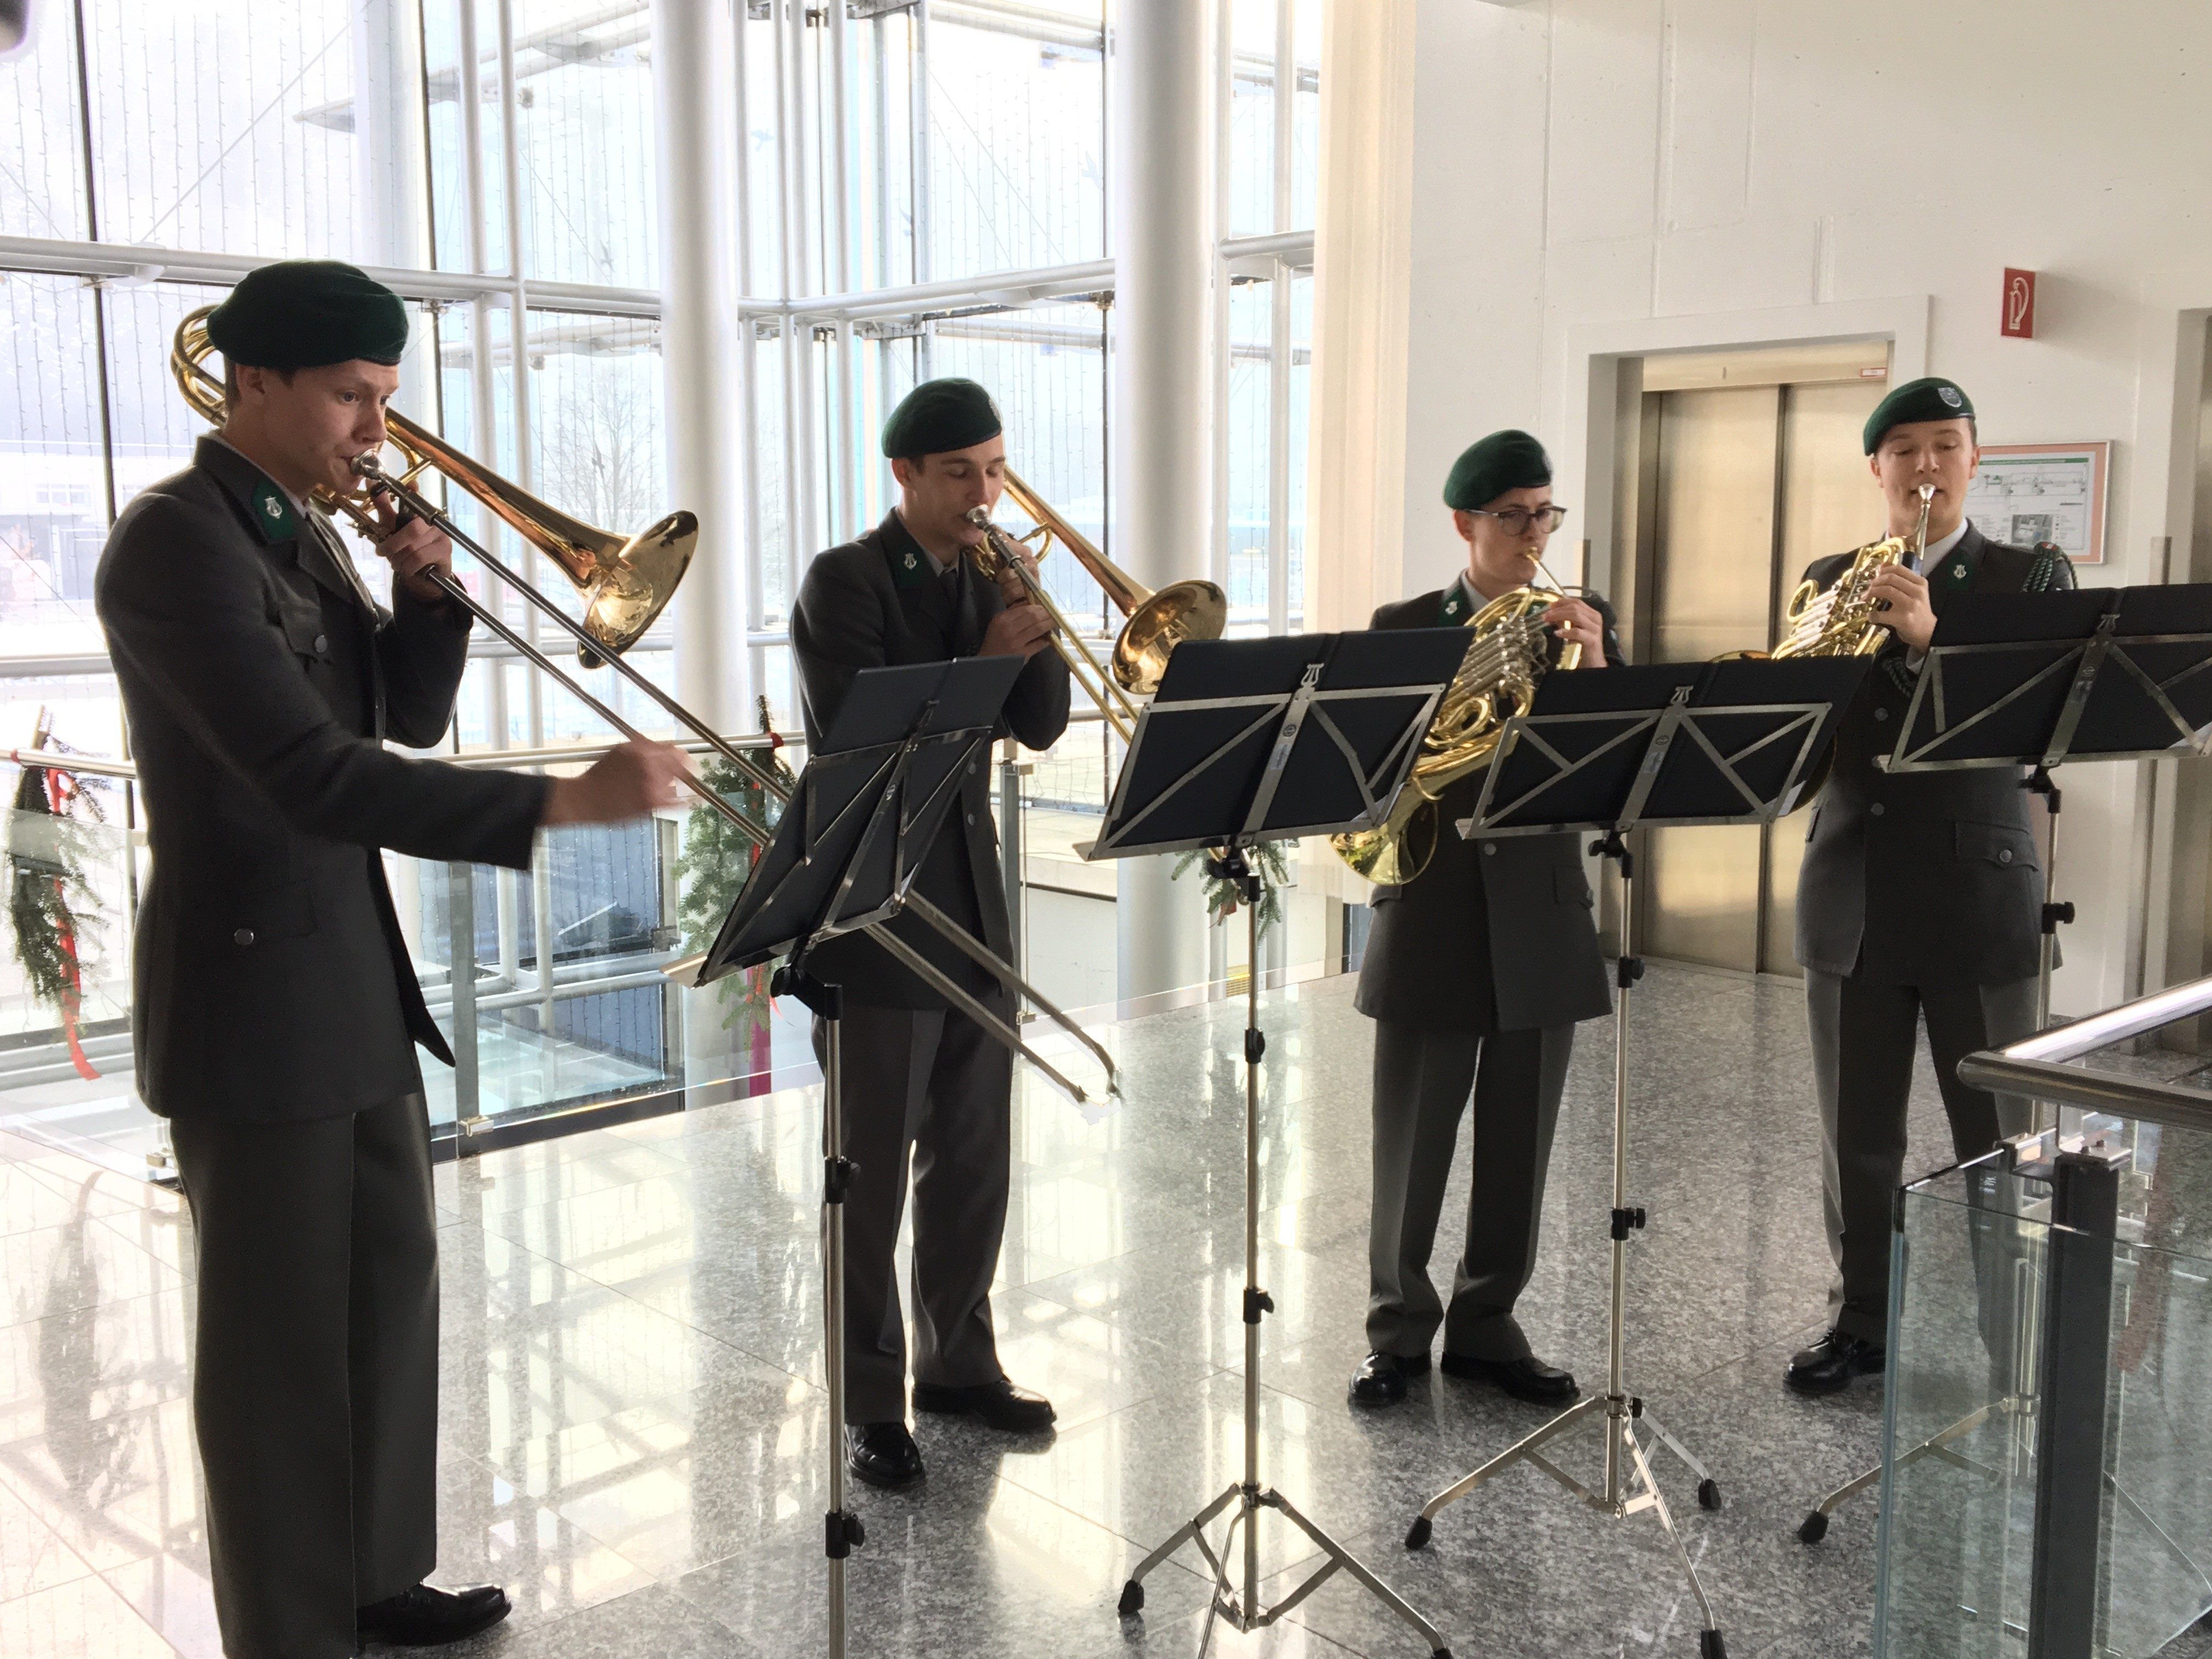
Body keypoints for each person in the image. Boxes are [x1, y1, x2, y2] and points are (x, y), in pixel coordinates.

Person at [93, 259, 691, 1659]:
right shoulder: (179, 542)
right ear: (251, 383)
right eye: (353, 398)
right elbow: (311, 774)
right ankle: (289, 1630)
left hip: (349, 975)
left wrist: (426, 597)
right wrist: (558, 803)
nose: (377, 430)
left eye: (385, 398)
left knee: (385, 1293)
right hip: (254, 995)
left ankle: (371, 1577)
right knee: (276, 1350)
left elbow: (400, 722)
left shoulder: (296, 530)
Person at [788, 377, 1071, 1489]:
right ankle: (871, 1401)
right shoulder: (847, 580)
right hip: (874, 914)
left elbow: (1041, 725)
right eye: (961, 473)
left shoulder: (988, 574)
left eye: (995, 469)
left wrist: (1032, 626)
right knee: (867, 1179)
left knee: (973, 1155)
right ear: (904, 474)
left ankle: (959, 1364)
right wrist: (993, 652)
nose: (983, 493)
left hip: (973, 910)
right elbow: (868, 741)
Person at [1785, 376, 2074, 1395]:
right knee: (1855, 1139)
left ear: (1974, 461)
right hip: (1851, 889)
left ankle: (2014, 1342)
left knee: (1998, 1140)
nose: (1925, 467)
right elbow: (1798, 736)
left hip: (1975, 896)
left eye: (1945, 445)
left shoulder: (2030, 577)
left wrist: (1930, 639)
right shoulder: (1830, 578)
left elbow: (2037, 727)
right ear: (1877, 468)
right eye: (1904, 449)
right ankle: (1861, 1321)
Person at [1348, 429, 1623, 1408]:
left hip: (1541, 913)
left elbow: (1615, 771)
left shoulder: (1582, 623)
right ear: (1465, 523)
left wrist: (1596, 661)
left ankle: (1488, 1323)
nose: (1533, 533)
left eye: (1545, 513)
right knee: (1413, 1140)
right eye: (1513, 516)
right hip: (1431, 900)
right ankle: (1396, 1331)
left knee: (1520, 1144)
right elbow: (1371, 767)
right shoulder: (1403, 625)